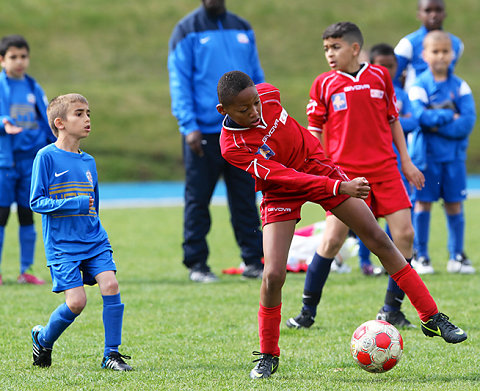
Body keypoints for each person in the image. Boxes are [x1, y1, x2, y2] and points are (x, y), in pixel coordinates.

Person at [217, 70, 467, 380]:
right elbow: (284, 177)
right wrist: (339, 188)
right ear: (223, 110)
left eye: (255, 103)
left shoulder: (269, 94)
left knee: (379, 239)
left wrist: (332, 180)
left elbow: (300, 146)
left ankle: (431, 316)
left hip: (317, 166)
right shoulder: (232, 146)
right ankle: (269, 354)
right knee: (273, 274)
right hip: (281, 189)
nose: (255, 112)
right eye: (244, 109)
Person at [285, 22, 423, 331]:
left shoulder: (379, 77)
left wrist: (408, 163)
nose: (329, 54)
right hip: (345, 177)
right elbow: (314, 133)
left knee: (405, 235)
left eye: (335, 47)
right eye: (326, 49)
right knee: (332, 240)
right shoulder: (323, 84)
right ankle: (307, 312)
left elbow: (393, 121)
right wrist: (319, 174)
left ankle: (391, 309)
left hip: (385, 170)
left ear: (355, 48)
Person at [29, 94, 133, 371]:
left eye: (88, 113)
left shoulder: (89, 162)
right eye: (79, 114)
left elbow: (93, 205)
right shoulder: (46, 157)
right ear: (60, 123)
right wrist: (73, 203)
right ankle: (43, 338)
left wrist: (93, 225)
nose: (87, 119)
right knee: (76, 303)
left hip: (94, 239)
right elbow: (36, 202)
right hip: (62, 245)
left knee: (110, 285)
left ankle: (111, 355)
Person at [168, 0, 264, 282]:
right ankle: (197, 264)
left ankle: (253, 260)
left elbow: (256, 77)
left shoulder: (242, 27)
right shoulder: (186, 30)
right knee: (198, 199)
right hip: (204, 131)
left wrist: (260, 115)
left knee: (246, 197)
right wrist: (189, 126)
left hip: (240, 130)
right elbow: (179, 81)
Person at [408, 30, 476, 275]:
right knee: (422, 205)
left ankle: (457, 256)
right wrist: (448, 115)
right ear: (424, 55)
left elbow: (467, 122)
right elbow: (419, 117)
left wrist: (437, 123)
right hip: (426, 159)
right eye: (435, 51)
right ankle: (421, 256)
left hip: (454, 159)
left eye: (445, 51)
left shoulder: (460, 87)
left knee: (455, 205)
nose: (441, 56)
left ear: (453, 54)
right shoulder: (419, 86)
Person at [356, 43, 420, 276]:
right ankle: (365, 261)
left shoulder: (400, 93)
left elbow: (413, 121)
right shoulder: (363, 91)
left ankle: (392, 262)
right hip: (370, 163)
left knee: (400, 219)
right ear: (371, 66)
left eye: (391, 66)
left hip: (396, 165)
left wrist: (388, 121)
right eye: (382, 65)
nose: (388, 70)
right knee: (366, 218)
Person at [0, 34, 55, 285]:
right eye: (13, 57)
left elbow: (47, 122)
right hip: (4, 163)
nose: (19, 61)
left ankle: (27, 270)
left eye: (23, 56)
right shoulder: (2, 87)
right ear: (2, 60)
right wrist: (3, 124)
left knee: (27, 214)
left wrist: (54, 145)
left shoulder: (34, 88)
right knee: (1, 216)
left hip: (30, 163)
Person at [394, 0, 463, 90]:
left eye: (438, 10)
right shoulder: (408, 43)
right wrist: (401, 98)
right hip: (415, 99)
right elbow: (392, 76)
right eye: (428, 10)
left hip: (445, 99)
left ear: (444, 14)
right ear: (419, 15)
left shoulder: (456, 44)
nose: (433, 14)